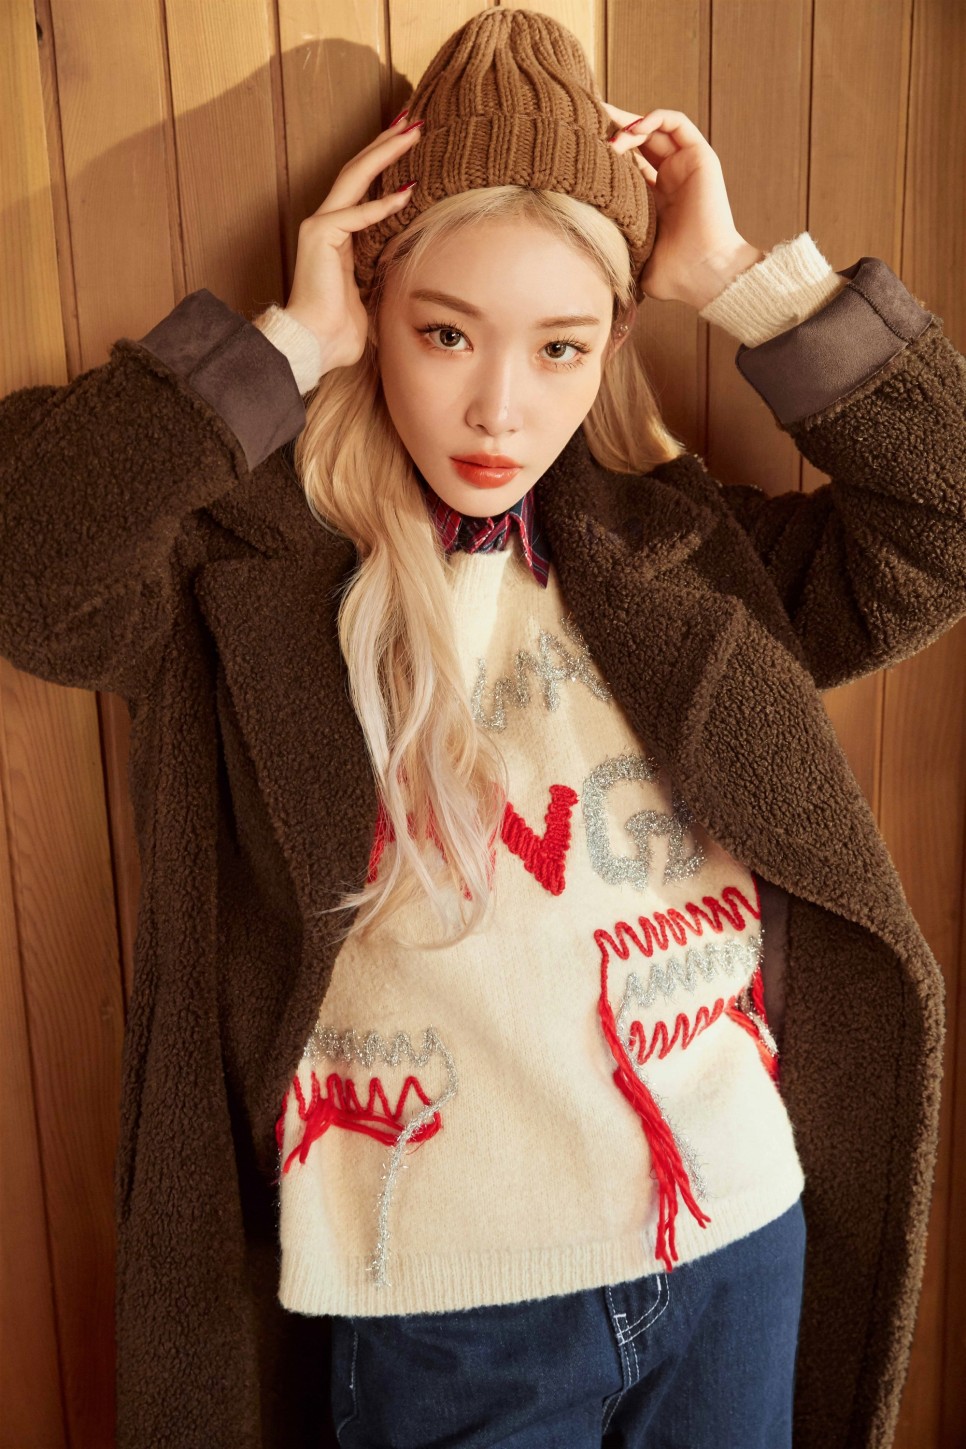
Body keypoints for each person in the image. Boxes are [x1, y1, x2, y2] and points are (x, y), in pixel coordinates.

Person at [0, 7, 962, 1448]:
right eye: (444, 331)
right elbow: (31, 565)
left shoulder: (684, 559)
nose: (499, 408)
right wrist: (283, 344)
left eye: (560, 347)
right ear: (374, 303)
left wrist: (741, 282)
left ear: (614, 341)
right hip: (449, 1300)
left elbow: (945, 518)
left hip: (735, 1235)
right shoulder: (254, 576)